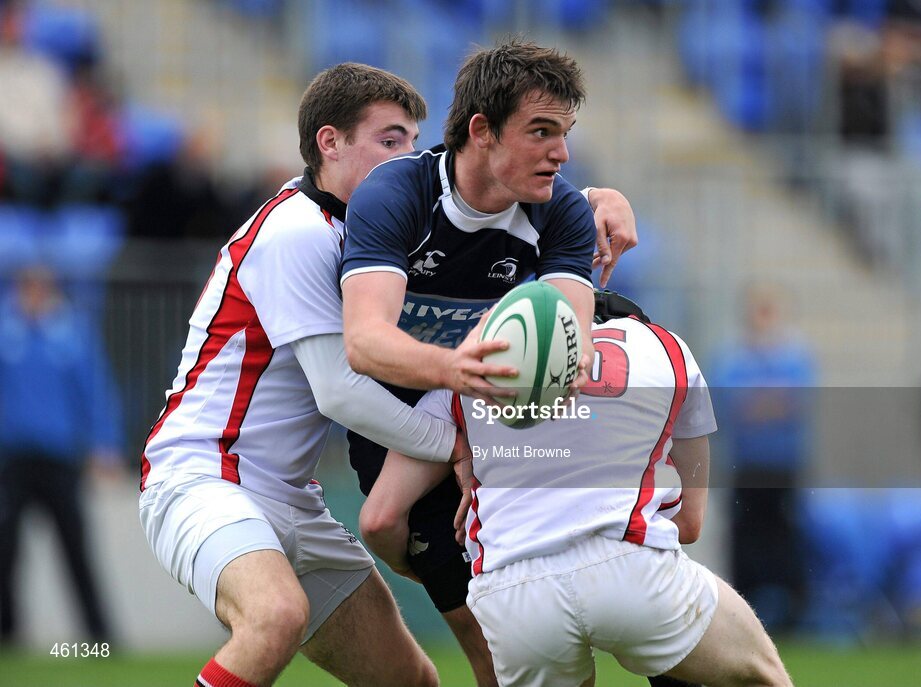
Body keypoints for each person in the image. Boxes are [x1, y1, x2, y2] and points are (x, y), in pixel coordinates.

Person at [139, 61, 637, 687]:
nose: (406, 155)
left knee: (412, 681)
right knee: (274, 617)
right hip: (205, 473)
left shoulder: (365, 221)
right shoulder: (295, 230)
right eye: (390, 139)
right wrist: (455, 443)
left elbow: (479, 179)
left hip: (291, 499)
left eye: (410, 140)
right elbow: (341, 389)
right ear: (330, 143)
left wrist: (596, 197)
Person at [341, 40, 639, 685]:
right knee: (486, 644)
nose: (560, 152)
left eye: (565, 133)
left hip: (498, 415)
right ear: (481, 129)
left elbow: (568, 350)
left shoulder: (559, 208)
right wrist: (458, 391)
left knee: (546, 631)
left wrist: (493, 443)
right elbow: (364, 344)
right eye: (540, 131)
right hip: (400, 420)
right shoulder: (399, 195)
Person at [361, 293, 793, 687]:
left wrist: (431, 572)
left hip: (513, 591)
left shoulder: (470, 367)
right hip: (631, 571)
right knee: (763, 675)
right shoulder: (666, 348)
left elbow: (380, 520)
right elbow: (691, 523)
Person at [0, 264, 122, 646]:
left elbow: (94, 389)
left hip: (59, 457)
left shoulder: (70, 333)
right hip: (12, 458)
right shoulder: (6, 330)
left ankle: (99, 636)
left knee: (75, 548)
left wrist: (105, 444)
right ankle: (8, 632)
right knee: (5, 549)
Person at [713, 283, 816, 632]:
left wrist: (758, 403)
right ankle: (745, 616)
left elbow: (793, 403)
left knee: (786, 538)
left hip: (782, 466)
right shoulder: (732, 358)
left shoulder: (794, 357)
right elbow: (732, 407)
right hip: (747, 466)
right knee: (745, 540)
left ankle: (792, 615)